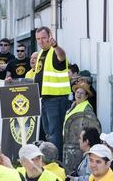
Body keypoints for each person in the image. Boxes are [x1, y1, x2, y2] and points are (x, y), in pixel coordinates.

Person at [34, 26, 71, 158]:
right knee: (49, 134)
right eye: (38, 39)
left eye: (44, 38)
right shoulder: (41, 54)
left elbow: (62, 56)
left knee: (55, 135)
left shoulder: (54, 51)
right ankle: (51, 161)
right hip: (45, 99)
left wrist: (56, 46)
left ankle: (57, 163)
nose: (41, 41)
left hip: (56, 99)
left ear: (50, 36)